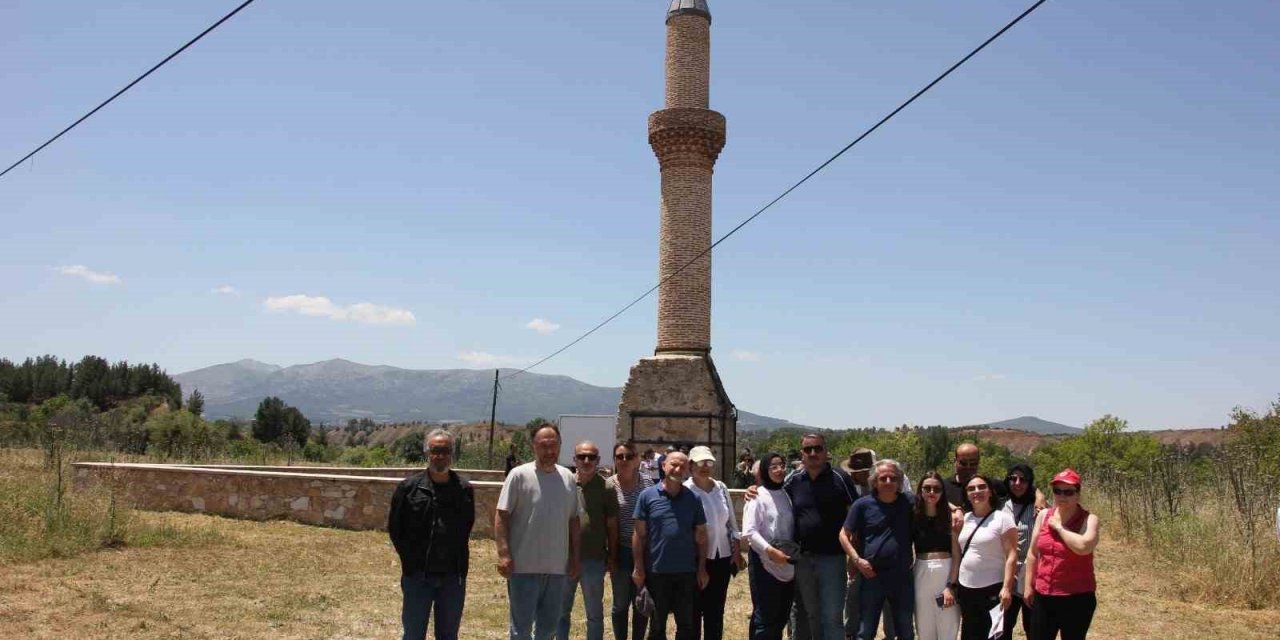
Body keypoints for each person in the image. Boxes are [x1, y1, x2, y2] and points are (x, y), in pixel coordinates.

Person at [388, 429, 476, 640]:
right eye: (435, 450)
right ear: (427, 452)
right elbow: (395, 529)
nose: (440, 455)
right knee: (413, 634)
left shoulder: (464, 489)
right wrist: (409, 562)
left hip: (452, 578)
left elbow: (467, 526)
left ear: (452, 453)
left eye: (445, 450)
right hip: (418, 576)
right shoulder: (409, 489)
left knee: (448, 635)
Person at [496, 425, 582, 640]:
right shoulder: (518, 475)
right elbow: (501, 515)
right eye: (544, 446)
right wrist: (504, 554)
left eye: (554, 445)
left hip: (557, 568)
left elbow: (573, 520)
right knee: (521, 630)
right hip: (524, 567)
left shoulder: (568, 478)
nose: (549, 451)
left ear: (560, 446)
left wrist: (574, 557)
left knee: (548, 629)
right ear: (533, 446)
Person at [785, 434, 859, 640]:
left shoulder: (840, 478)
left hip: (833, 558)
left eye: (817, 448)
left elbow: (856, 514)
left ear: (826, 452)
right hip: (803, 559)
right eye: (808, 450)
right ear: (802, 454)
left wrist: (854, 556)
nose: (813, 453)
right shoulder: (794, 479)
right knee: (810, 615)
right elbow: (773, 497)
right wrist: (755, 489)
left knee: (832, 616)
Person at [633, 451, 709, 640]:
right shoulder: (647, 496)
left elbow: (701, 536)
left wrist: (701, 569)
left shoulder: (694, 499)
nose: (678, 469)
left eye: (683, 466)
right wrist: (639, 568)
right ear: (663, 466)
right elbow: (639, 535)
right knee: (657, 626)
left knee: (686, 625)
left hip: (686, 572)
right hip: (657, 571)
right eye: (674, 464)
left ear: (687, 470)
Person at [839, 460, 915, 640]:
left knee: (905, 629)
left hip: (902, 576)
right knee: (866, 630)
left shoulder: (910, 502)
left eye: (893, 478)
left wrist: (956, 509)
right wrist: (857, 560)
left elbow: (936, 500)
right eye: (883, 478)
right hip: (872, 576)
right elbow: (843, 534)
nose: (888, 481)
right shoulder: (862, 505)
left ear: (899, 481)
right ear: (874, 482)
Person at [1023, 469, 1099, 640]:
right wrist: (1029, 586)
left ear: (1078, 495)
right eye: (1058, 491)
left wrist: (1059, 527)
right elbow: (1033, 553)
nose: (1062, 496)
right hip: (1044, 594)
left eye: (1068, 492)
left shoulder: (1089, 519)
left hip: (1077, 598)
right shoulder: (1043, 515)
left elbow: (1084, 547)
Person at [559, 441, 619, 640]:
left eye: (591, 457)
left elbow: (611, 525)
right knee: (560, 612)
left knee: (594, 615)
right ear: (574, 459)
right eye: (582, 456)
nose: (586, 461)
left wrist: (612, 556)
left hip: (593, 559)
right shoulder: (564, 484)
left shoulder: (607, 487)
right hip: (564, 559)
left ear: (598, 461)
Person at [686, 446, 743, 640]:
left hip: (722, 557)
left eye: (709, 462)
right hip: (695, 558)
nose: (705, 467)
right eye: (700, 462)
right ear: (691, 464)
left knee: (716, 611)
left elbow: (731, 523)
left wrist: (736, 550)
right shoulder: (686, 490)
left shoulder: (721, 487)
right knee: (693, 611)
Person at [955, 475, 1017, 640]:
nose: (977, 491)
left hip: (993, 589)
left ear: (990, 491)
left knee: (995, 636)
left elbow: (1012, 555)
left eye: (982, 487)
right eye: (971, 489)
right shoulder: (965, 519)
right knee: (970, 634)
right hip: (966, 589)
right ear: (966, 494)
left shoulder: (1003, 518)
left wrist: (1007, 588)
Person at [742, 452, 796, 640]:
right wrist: (770, 551)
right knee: (765, 617)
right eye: (773, 466)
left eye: (781, 465)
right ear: (765, 470)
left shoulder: (786, 494)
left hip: (787, 564)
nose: (779, 470)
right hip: (765, 563)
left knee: (781, 616)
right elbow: (749, 532)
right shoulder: (757, 496)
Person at [610, 441, 654, 640]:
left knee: (640, 601)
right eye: (620, 456)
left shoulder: (648, 484)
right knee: (620, 603)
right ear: (615, 460)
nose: (624, 460)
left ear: (637, 459)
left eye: (629, 456)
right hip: (620, 551)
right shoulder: (609, 485)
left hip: (644, 552)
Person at [912, 471, 961, 640]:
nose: (932, 492)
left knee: (948, 627)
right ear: (920, 490)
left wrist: (951, 585)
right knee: (924, 628)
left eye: (937, 488)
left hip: (945, 572)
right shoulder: (914, 515)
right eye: (927, 488)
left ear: (943, 491)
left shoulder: (950, 518)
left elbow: (956, 555)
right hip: (921, 573)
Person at [999, 464, 1037, 640]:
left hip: (1032, 576)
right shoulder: (1000, 505)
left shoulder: (1039, 509)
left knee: (1034, 627)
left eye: (1023, 479)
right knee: (1003, 627)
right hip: (1006, 576)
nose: (1017, 483)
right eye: (1013, 478)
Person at [943, 444, 1006, 512]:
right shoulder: (942, 487)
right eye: (963, 463)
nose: (968, 467)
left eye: (973, 463)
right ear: (955, 461)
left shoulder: (994, 485)